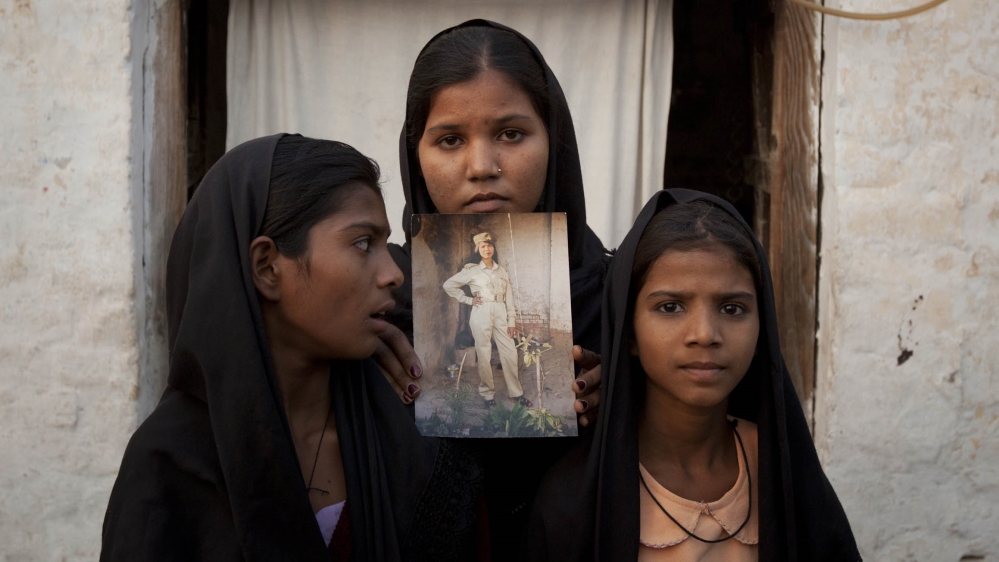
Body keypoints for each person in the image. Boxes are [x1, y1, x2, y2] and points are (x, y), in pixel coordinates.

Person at [100, 135, 484, 561]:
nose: (393, 273)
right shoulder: (168, 468)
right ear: (267, 267)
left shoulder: (410, 442)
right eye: (362, 243)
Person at [375, 20, 611, 557]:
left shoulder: (623, 294)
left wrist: (631, 393)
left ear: (555, 140)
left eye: (511, 133)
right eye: (450, 139)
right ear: (417, 153)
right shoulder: (376, 304)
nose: (481, 166)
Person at [529, 189, 860, 561]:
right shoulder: (573, 499)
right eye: (670, 307)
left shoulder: (784, 472)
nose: (705, 334)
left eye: (732, 309)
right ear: (630, 332)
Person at [443, 231, 531, 408]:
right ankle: (487, 395)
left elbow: (509, 298)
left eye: (489, 245)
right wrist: (468, 300)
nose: (487, 248)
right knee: (484, 354)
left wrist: (512, 322)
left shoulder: (502, 270)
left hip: (501, 311)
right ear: (478, 249)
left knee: (510, 352)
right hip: (481, 311)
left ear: (494, 248)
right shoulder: (472, 270)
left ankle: (516, 393)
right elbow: (448, 285)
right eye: (482, 246)